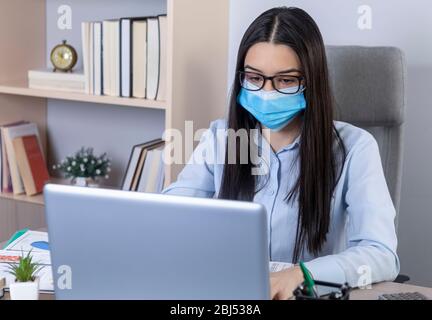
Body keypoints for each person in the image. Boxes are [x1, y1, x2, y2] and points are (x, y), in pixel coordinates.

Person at [162, 6, 399, 300]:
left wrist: (302, 274)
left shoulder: (356, 148)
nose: (266, 92)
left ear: (311, 83)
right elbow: (169, 218)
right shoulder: (220, 138)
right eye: (254, 78)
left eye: (286, 81)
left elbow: (381, 254)